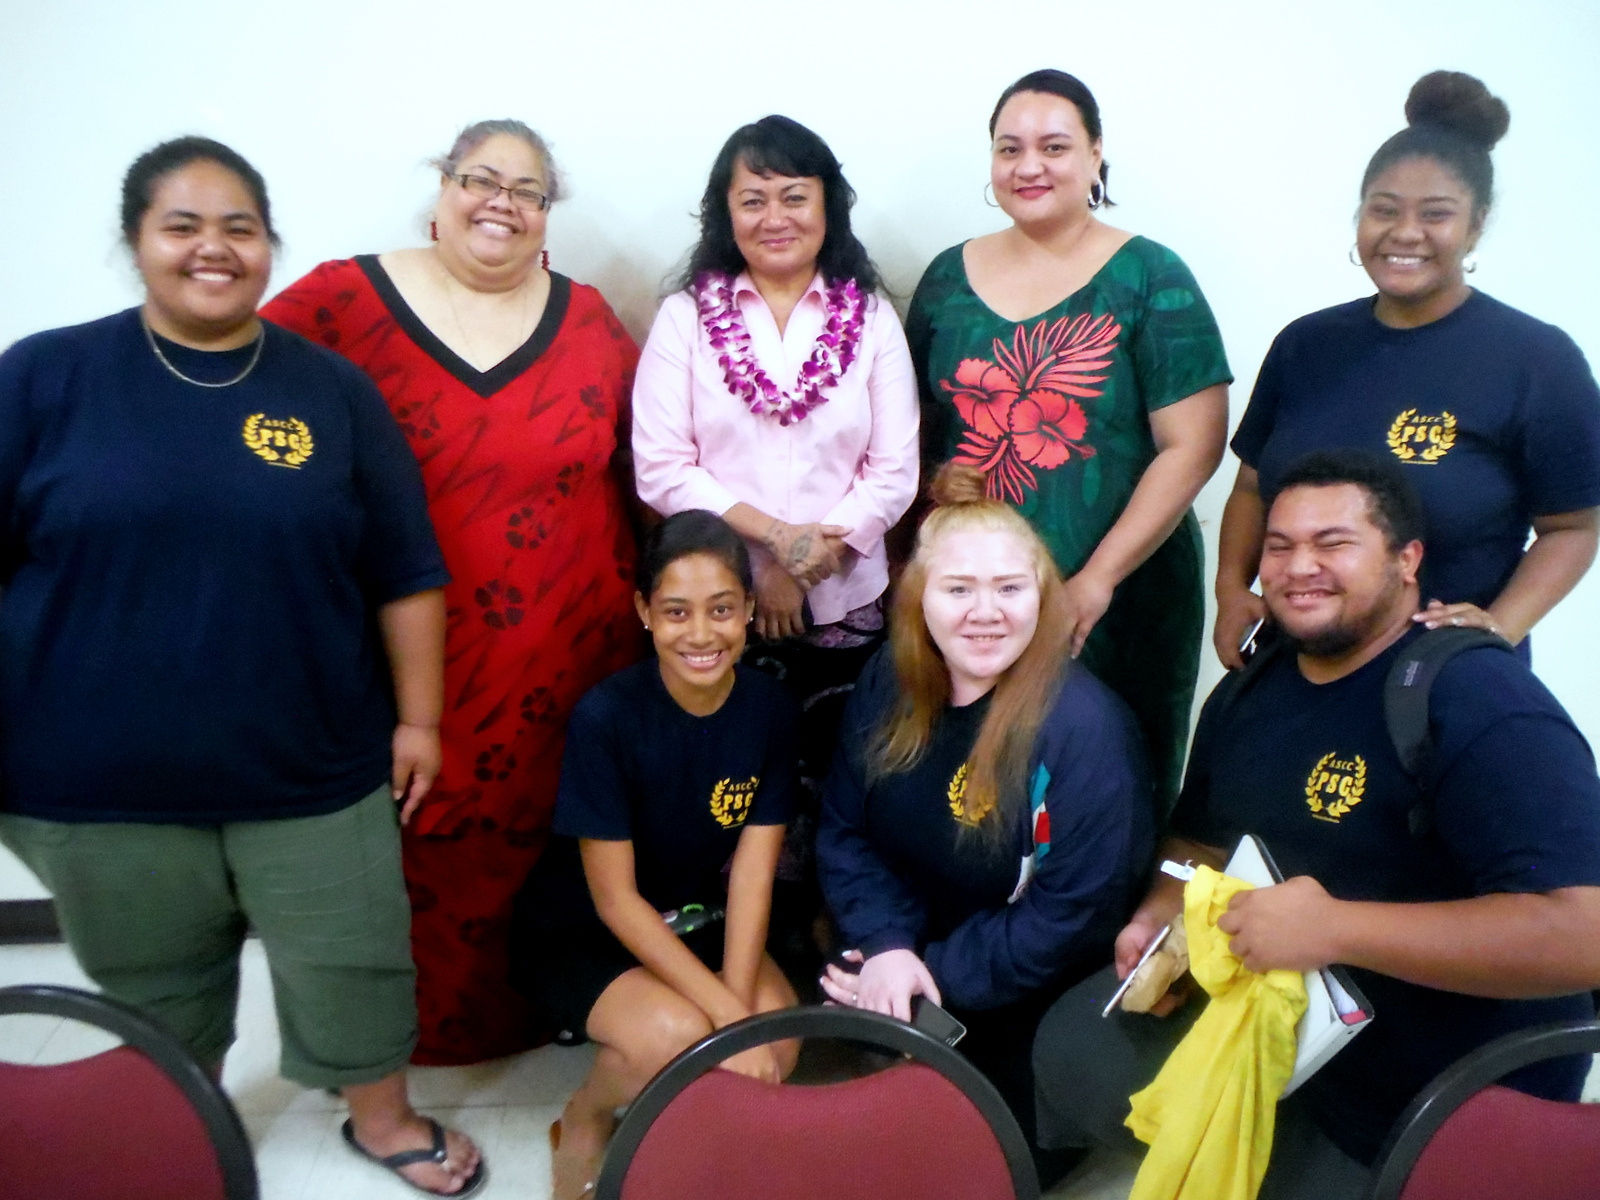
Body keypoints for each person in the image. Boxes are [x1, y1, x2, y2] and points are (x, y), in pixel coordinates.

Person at [0, 138, 485, 1195]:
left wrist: (419, 723)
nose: (212, 249)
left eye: (239, 227)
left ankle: (384, 1119)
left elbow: (406, 572)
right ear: (136, 241)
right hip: (95, 774)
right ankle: (182, 1113)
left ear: (269, 245)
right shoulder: (45, 377)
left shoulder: (331, 394)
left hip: (308, 756)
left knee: (354, 957)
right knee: (152, 982)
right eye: (183, 225)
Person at [1032, 449, 1600, 1200]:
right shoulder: (1249, 691)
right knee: (1073, 1048)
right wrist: (1163, 912)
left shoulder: (1476, 700)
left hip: (1435, 1079)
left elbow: (1583, 935)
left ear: (1408, 560)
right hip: (1282, 1017)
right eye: (1279, 545)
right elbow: (1195, 842)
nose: (1300, 567)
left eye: (1333, 543)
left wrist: (1336, 930)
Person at [262, 119, 643, 1064]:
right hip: (407, 665)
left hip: (573, 664)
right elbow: (248, 411)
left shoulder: (590, 317)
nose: (501, 205)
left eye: (528, 191)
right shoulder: (341, 304)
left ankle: (559, 1008)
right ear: (441, 187)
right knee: (416, 843)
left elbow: (644, 469)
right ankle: (395, 1048)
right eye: (482, 179)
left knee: (557, 852)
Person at [816, 463, 1155, 1186]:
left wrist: (925, 975)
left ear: (1043, 596)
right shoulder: (888, 679)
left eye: (1010, 588)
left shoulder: (1085, 731)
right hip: (902, 951)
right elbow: (844, 828)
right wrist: (884, 947)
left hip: (1029, 988)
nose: (986, 612)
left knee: (962, 1168)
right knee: (838, 1141)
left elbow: (1072, 918)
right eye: (959, 589)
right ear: (919, 599)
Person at [907, 69, 1232, 815]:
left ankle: (1111, 932)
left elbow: (1193, 446)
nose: (1029, 166)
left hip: (1121, 595)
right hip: (976, 596)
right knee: (974, 792)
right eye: (1009, 148)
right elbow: (914, 433)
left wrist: (1097, 581)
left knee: (1110, 791)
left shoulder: (1150, 276)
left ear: (1095, 157)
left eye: (1054, 146)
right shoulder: (946, 279)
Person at [1215, 71, 1600, 671]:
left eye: (1436, 215)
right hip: (1296, 668)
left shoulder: (1537, 361)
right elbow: (1249, 488)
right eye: (1384, 210)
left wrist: (1500, 628)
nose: (1405, 234)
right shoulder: (1306, 344)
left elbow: (1573, 526)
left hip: (1443, 678)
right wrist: (1230, 590)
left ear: (1475, 225)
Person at [631, 114, 919, 828]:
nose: (774, 217)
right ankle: (734, 928)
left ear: (828, 206)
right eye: (752, 199)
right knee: (729, 785)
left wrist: (811, 555)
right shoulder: (685, 319)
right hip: (722, 602)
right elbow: (663, 468)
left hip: (847, 600)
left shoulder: (873, 319)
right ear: (725, 214)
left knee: (842, 782)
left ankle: (835, 926)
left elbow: (895, 470)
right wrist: (770, 549)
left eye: (794, 195)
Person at [510, 510, 800, 1200]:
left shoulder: (768, 707)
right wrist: (727, 1024)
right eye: (676, 611)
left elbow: (754, 870)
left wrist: (740, 1015)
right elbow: (615, 899)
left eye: (722, 610)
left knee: (778, 1043)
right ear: (644, 611)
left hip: (698, 919)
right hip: (586, 932)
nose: (700, 634)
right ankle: (586, 1115)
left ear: (750, 612)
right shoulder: (607, 718)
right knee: (683, 1037)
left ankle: (684, 1127)